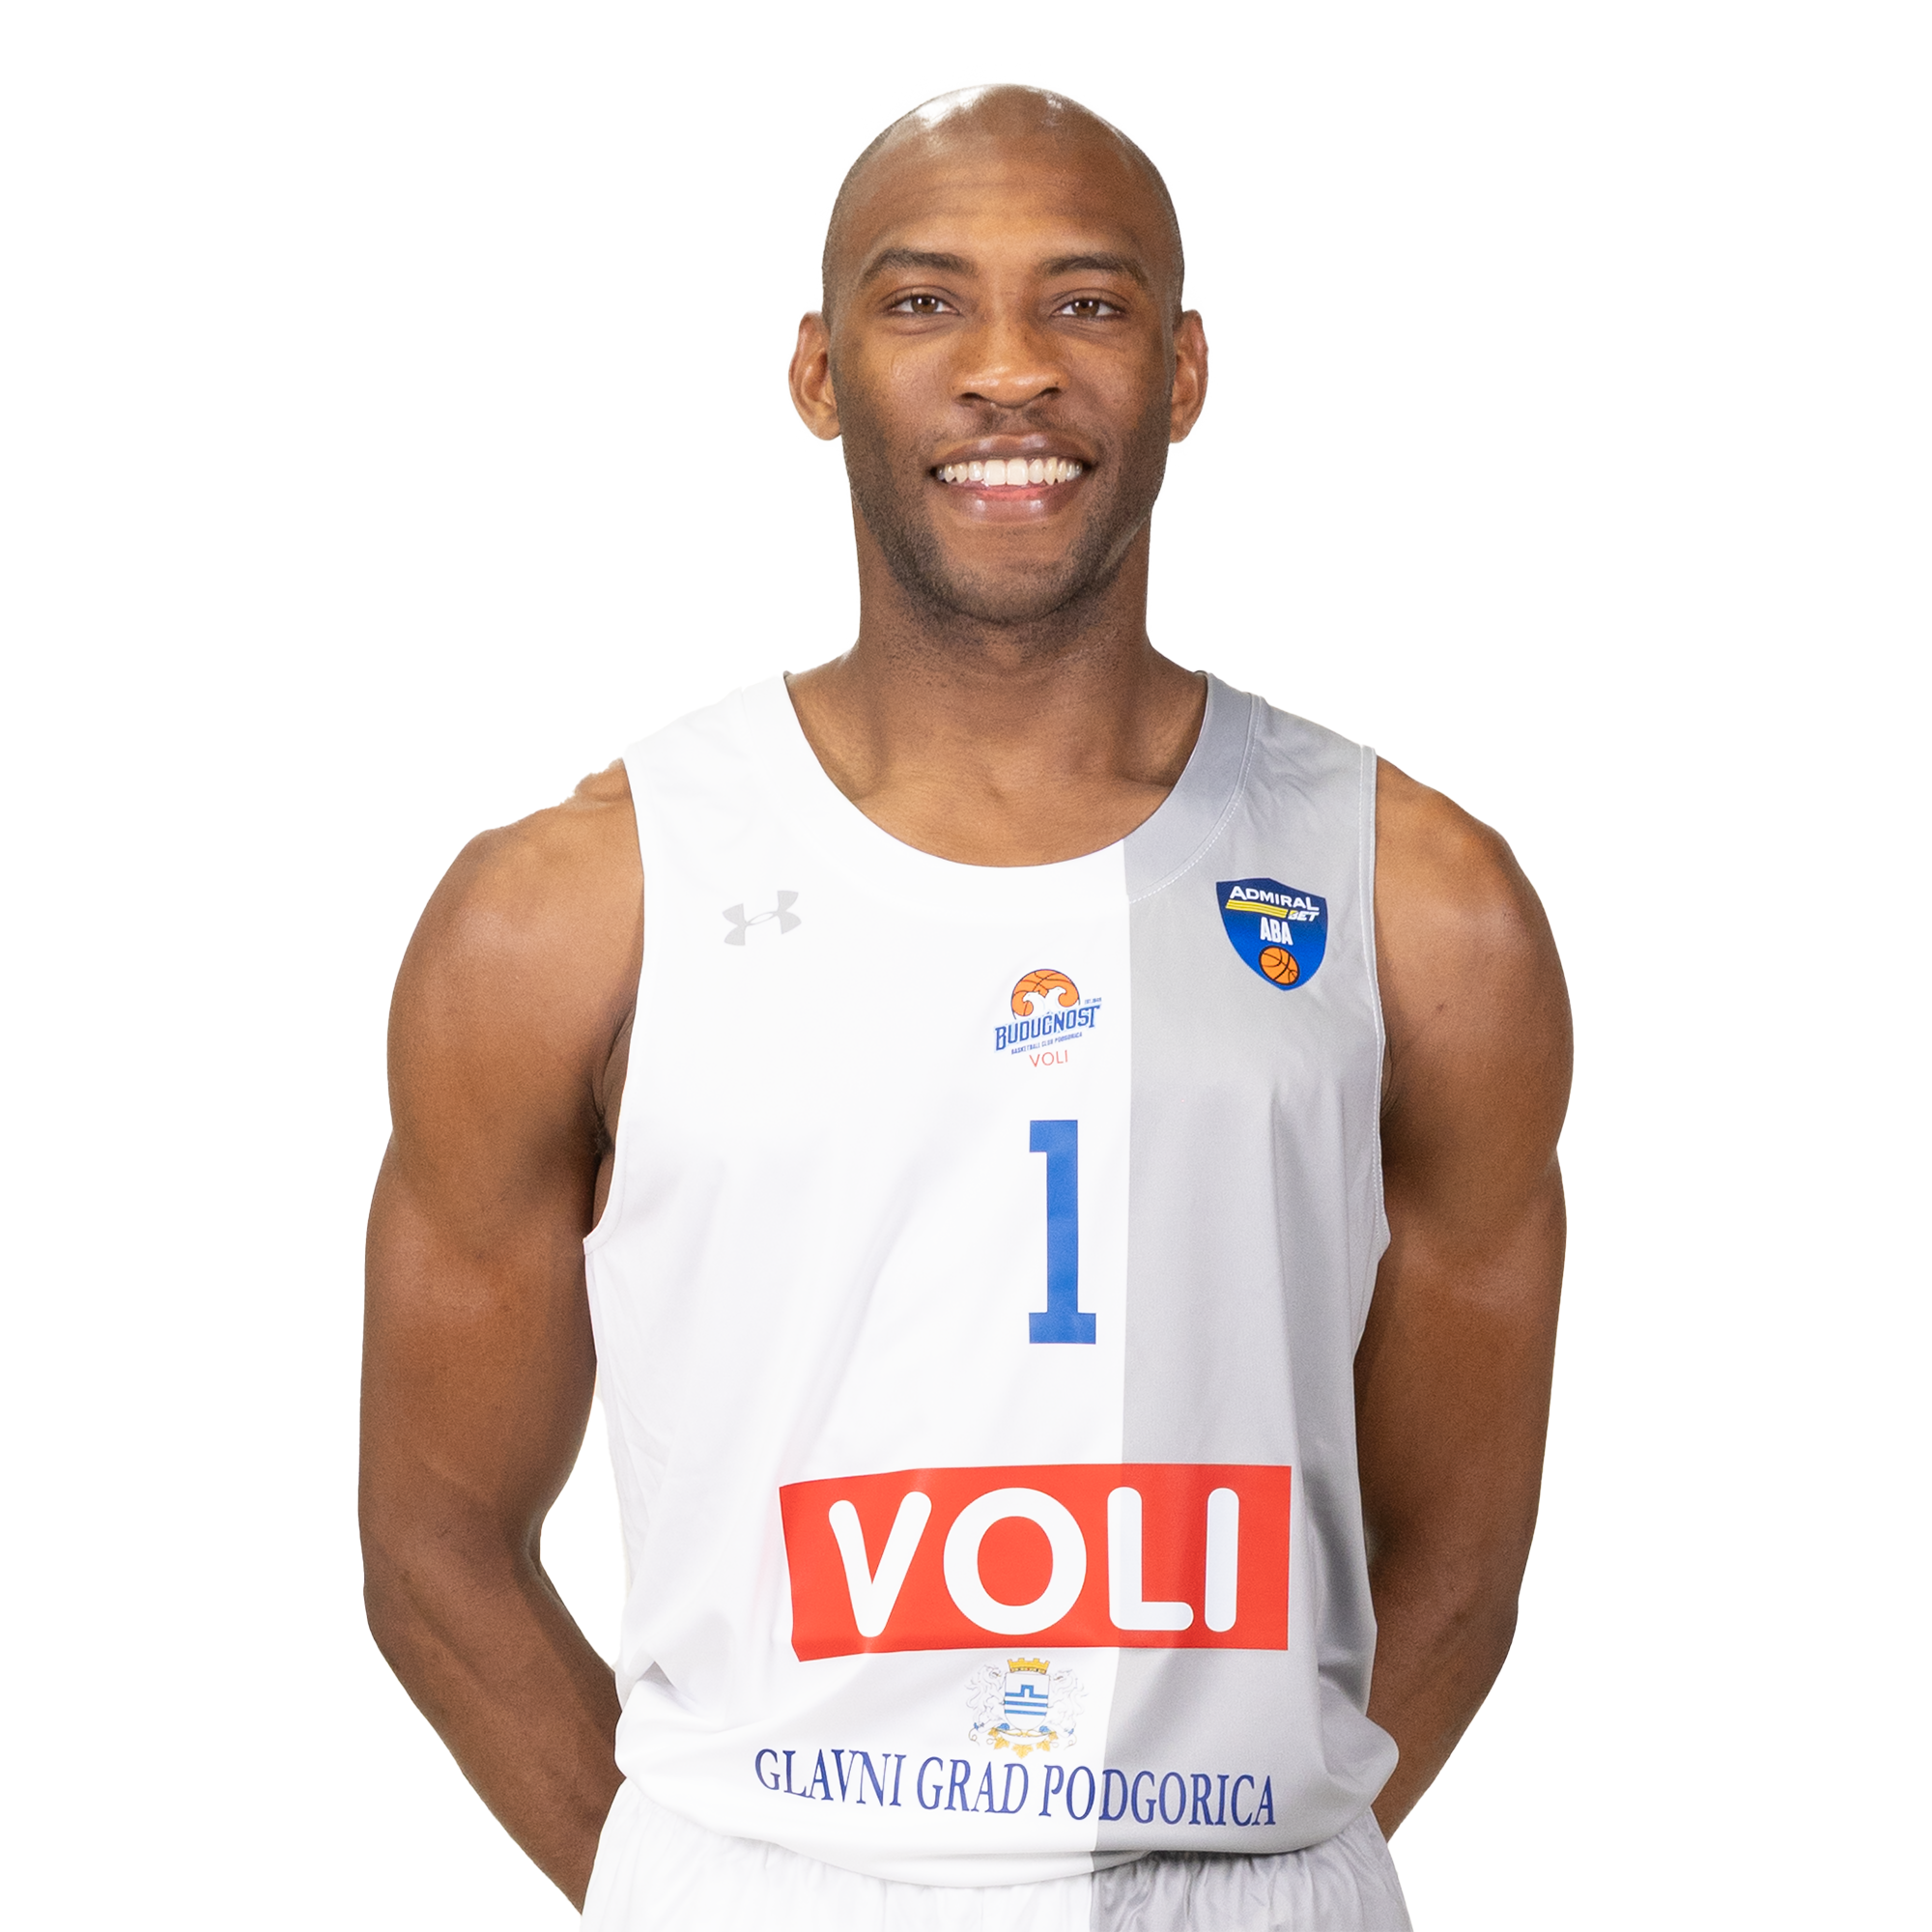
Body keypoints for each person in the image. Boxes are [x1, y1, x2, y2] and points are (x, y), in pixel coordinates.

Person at [360, 83, 1571, 1932]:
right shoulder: (572, 908)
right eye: (925, 302)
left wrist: (1268, 1857)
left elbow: (1465, 1549)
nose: (1010, 369)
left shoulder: (1422, 900)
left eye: (1085, 303)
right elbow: (432, 1539)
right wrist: (683, 1886)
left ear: (1183, 371)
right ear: (817, 373)